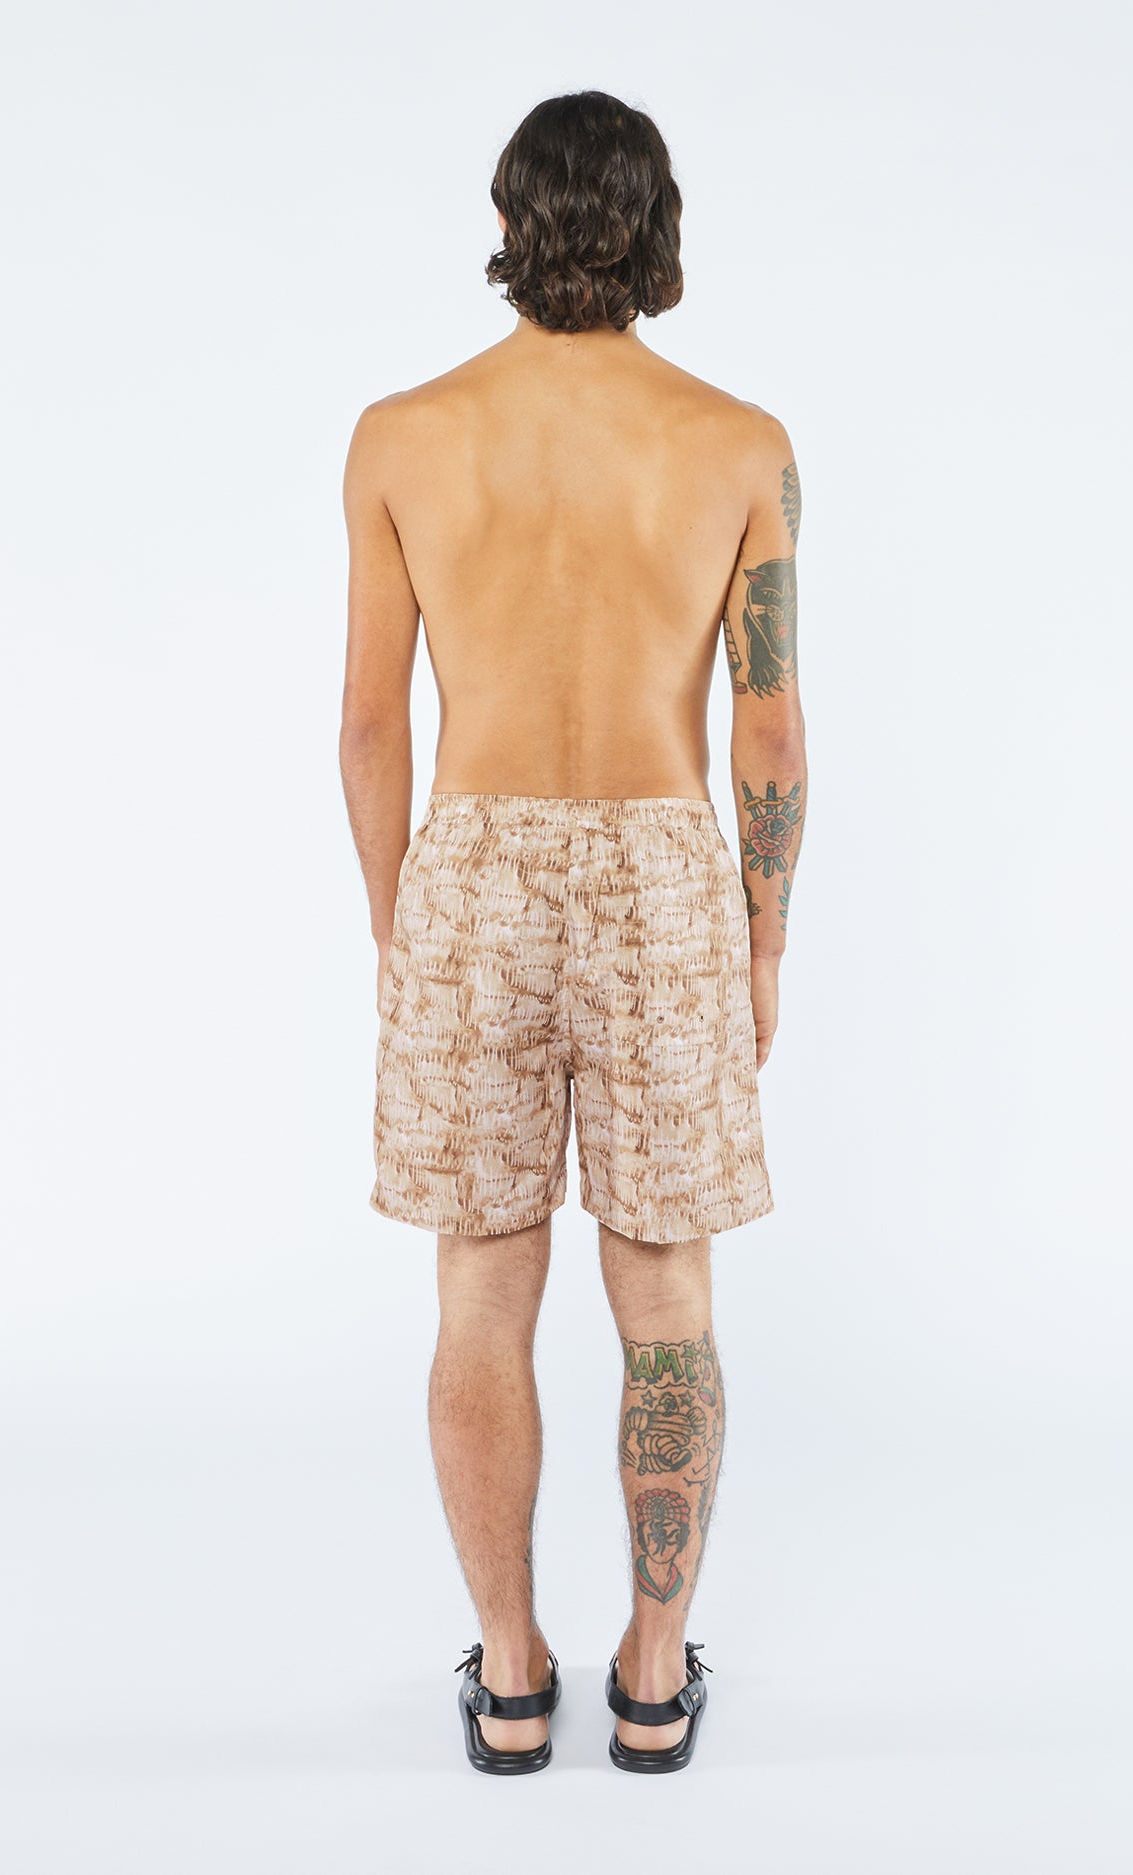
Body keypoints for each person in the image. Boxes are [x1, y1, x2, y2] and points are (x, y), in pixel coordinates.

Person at [339, 89, 807, 1775]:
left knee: (481, 1288)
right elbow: (768, 725)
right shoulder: (737, 442)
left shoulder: (404, 434)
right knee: (666, 1286)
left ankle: (517, 1676)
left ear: (506, 221)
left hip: (472, 867)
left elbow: (369, 727)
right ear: (661, 227)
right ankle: (655, 1681)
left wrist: (401, 928)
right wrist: (762, 939)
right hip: (663, 869)